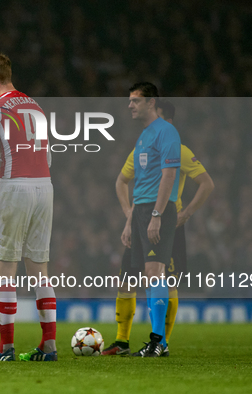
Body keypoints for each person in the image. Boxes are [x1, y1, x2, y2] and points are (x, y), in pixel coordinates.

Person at [103, 99, 214, 357]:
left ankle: (161, 342)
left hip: (166, 224)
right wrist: (129, 216)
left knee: (164, 280)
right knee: (126, 280)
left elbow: (206, 183)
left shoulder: (180, 151)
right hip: (140, 221)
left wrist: (186, 213)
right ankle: (122, 341)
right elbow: (122, 182)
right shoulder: (141, 149)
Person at [0, 53, 56, 362]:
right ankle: (49, 346)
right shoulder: (35, 106)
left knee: (4, 269)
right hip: (44, 186)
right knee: (39, 270)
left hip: (16, 187)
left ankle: (5, 347)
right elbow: (47, 157)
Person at [115, 82, 181, 357]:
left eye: (135, 101)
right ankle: (145, 341)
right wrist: (130, 220)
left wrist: (157, 214)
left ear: (151, 102)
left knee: (155, 273)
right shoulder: (144, 136)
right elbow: (138, 182)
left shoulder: (167, 132)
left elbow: (169, 175)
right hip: (141, 210)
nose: (130, 105)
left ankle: (159, 341)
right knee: (140, 277)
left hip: (158, 210)